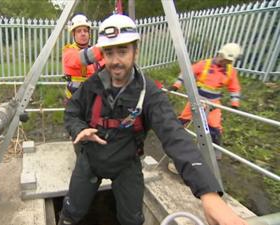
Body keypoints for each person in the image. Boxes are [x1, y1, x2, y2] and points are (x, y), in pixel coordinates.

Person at [59, 14, 248, 225]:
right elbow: (71, 112)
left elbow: (174, 135)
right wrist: (78, 129)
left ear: (135, 51)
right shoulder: (91, 85)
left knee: (132, 220)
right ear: (102, 54)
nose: (115, 61)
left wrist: (209, 193)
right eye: (109, 52)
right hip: (90, 161)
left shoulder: (148, 93)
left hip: (126, 165)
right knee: (71, 213)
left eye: (122, 51)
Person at [168, 43, 242, 160]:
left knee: (214, 127)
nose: (225, 63)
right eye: (224, 60)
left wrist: (235, 104)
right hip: (196, 99)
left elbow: (234, 88)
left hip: (213, 103)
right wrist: (176, 85)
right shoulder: (204, 65)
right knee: (183, 120)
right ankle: (172, 139)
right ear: (220, 54)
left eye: (229, 61)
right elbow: (187, 73)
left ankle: (214, 150)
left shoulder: (230, 72)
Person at [62, 14, 104, 103]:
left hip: (93, 97)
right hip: (74, 100)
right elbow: (80, 59)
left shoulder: (96, 52)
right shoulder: (69, 52)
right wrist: (103, 48)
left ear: (89, 33)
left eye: (85, 30)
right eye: (79, 31)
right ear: (73, 34)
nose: (83, 33)